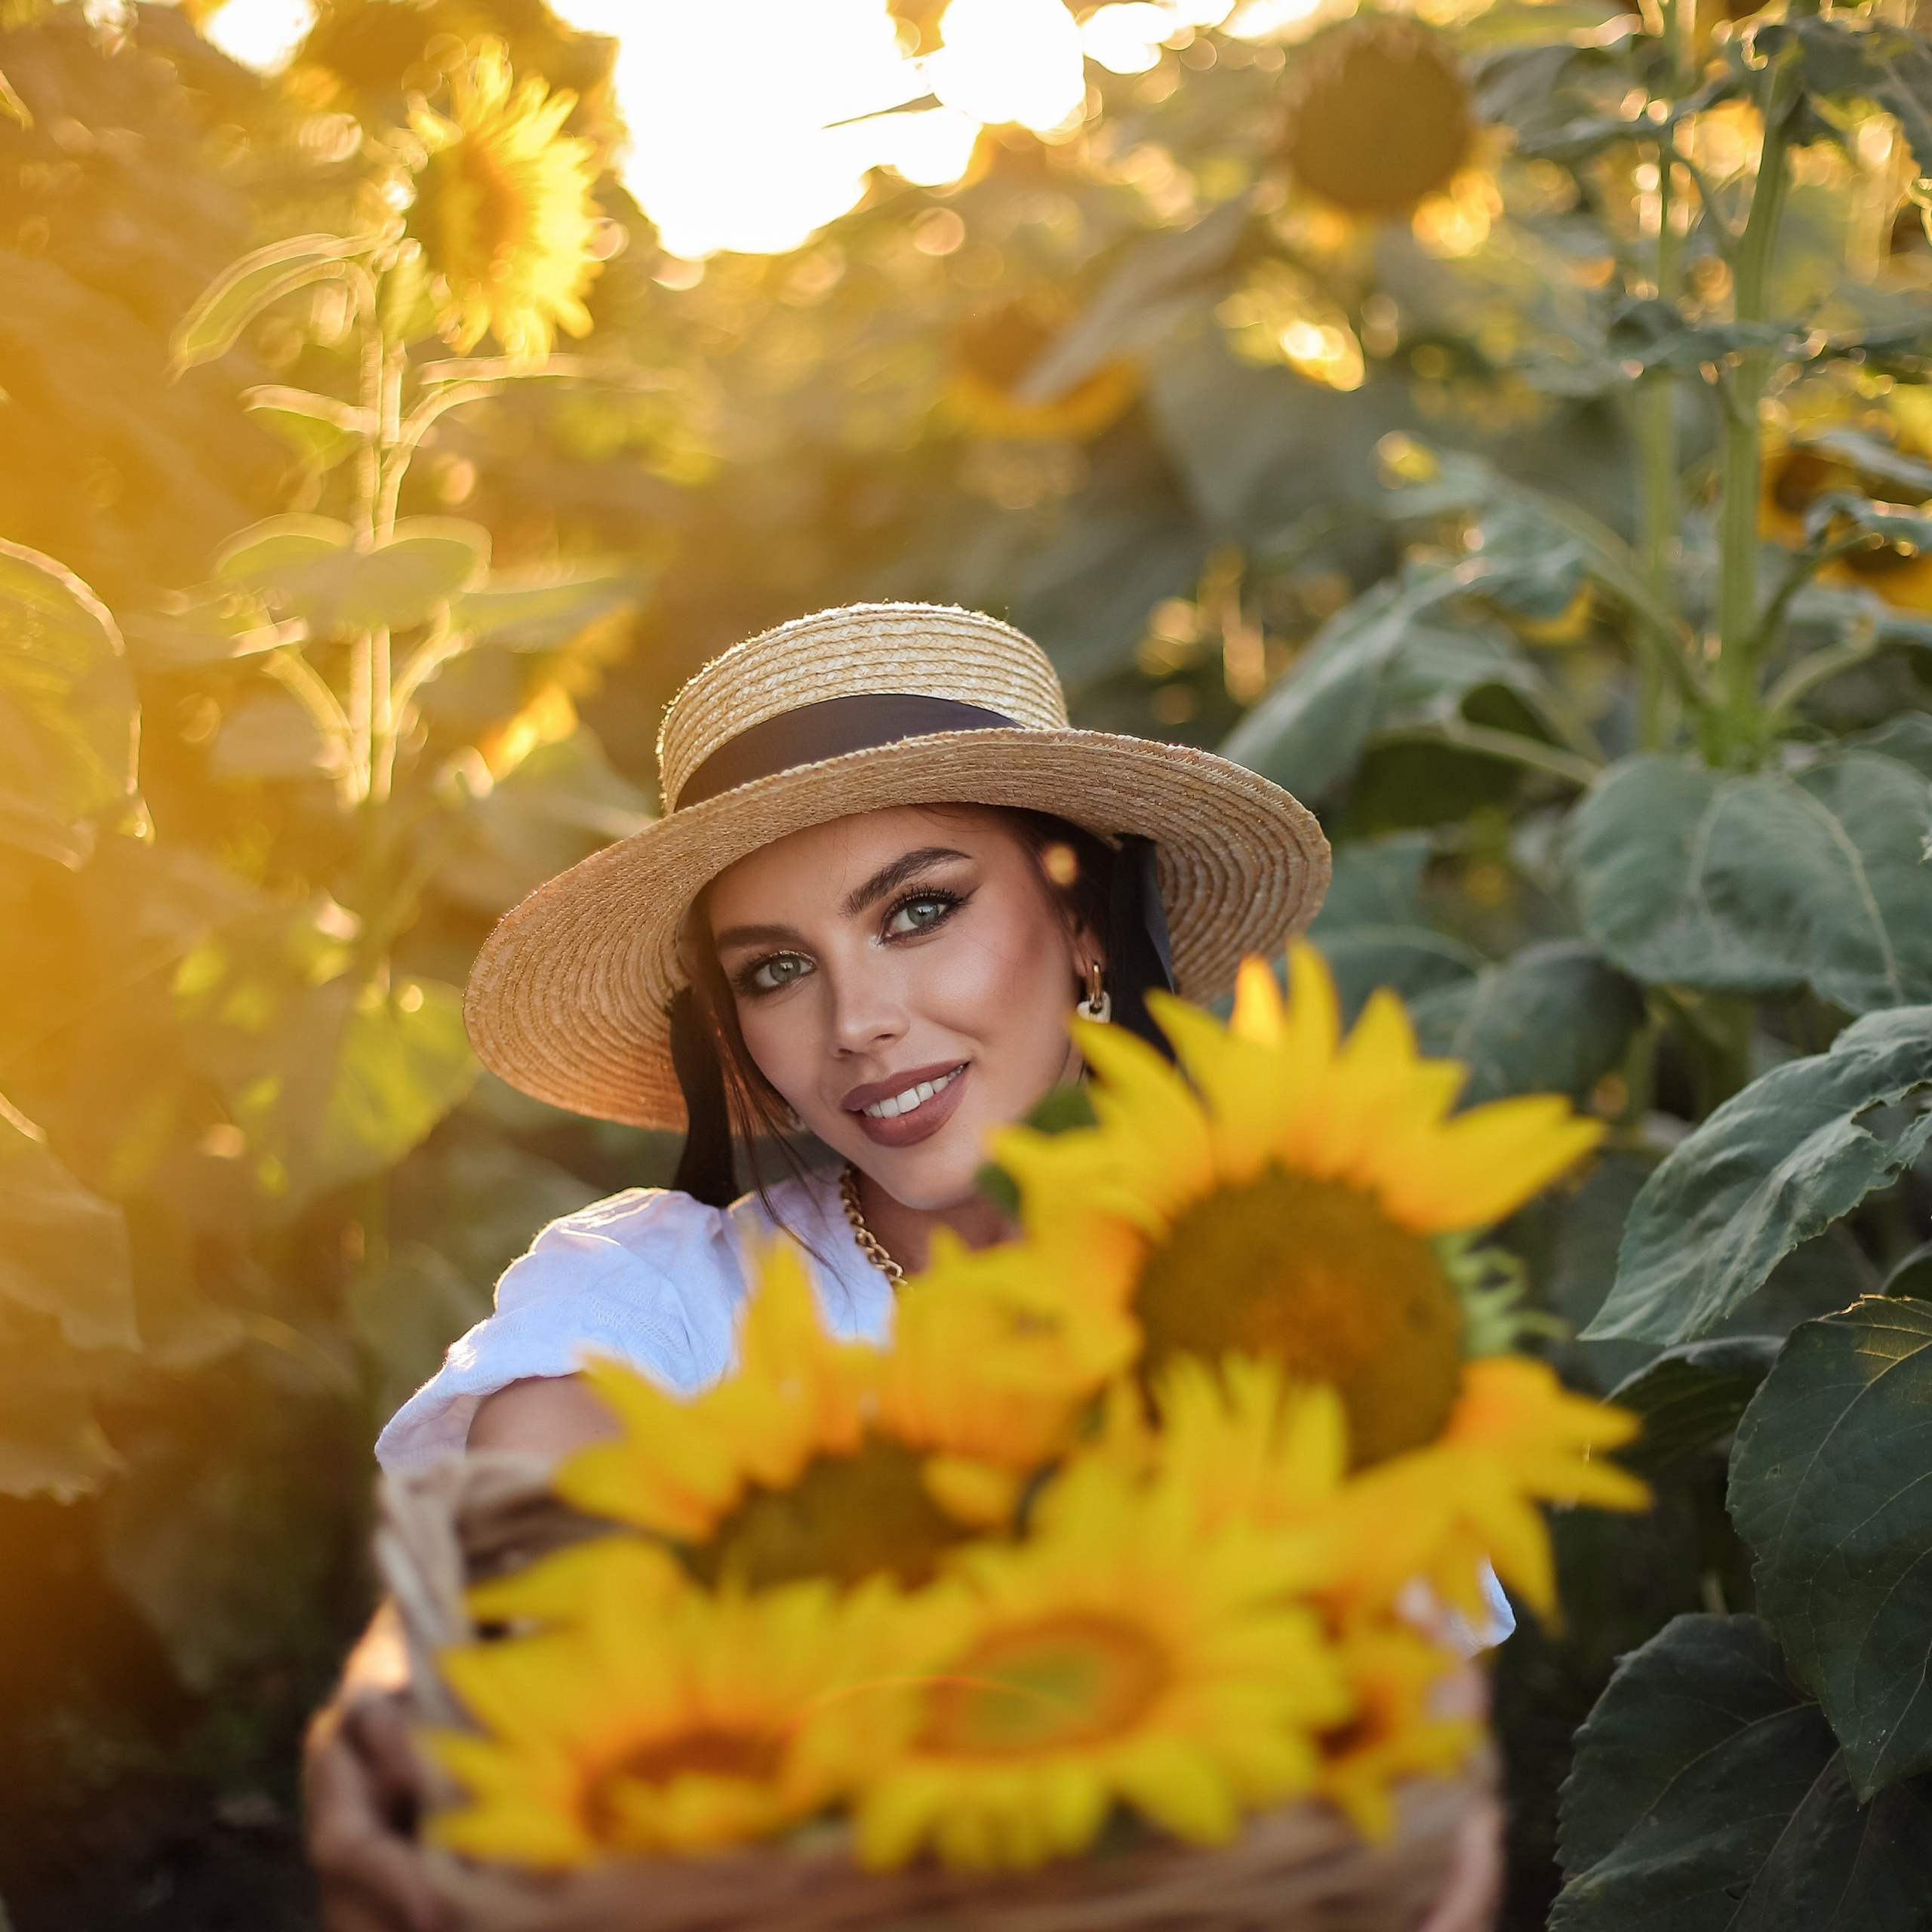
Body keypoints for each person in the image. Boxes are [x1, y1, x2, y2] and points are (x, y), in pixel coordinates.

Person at [303, 602, 1503, 1932]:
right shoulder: (650, 1302)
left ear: (1085, 924)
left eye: (919, 911)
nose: (859, 1022)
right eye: (776, 971)